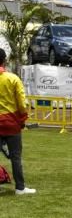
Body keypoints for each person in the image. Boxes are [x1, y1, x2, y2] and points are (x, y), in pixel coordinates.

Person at [0, 48, 35, 195]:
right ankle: (20, 188)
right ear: (4, 60)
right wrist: (22, 119)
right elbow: (21, 103)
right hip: (11, 122)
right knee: (15, 156)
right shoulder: (12, 78)